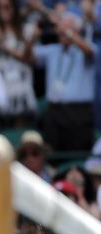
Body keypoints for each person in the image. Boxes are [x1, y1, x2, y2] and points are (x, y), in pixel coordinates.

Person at [33, 12, 96, 152]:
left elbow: (90, 52)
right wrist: (33, 36)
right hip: (55, 111)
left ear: (77, 30)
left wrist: (70, 33)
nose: (62, 33)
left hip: (79, 113)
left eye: (67, 28)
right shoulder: (53, 50)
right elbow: (27, 57)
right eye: (61, 29)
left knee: (79, 153)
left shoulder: (86, 49)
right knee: (52, 153)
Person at [0, 0, 38, 126]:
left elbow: (30, 59)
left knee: (20, 123)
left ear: (14, 8)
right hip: (0, 83)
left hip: (21, 83)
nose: (3, 11)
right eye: (0, 8)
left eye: (7, 7)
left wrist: (4, 44)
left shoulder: (26, 29)